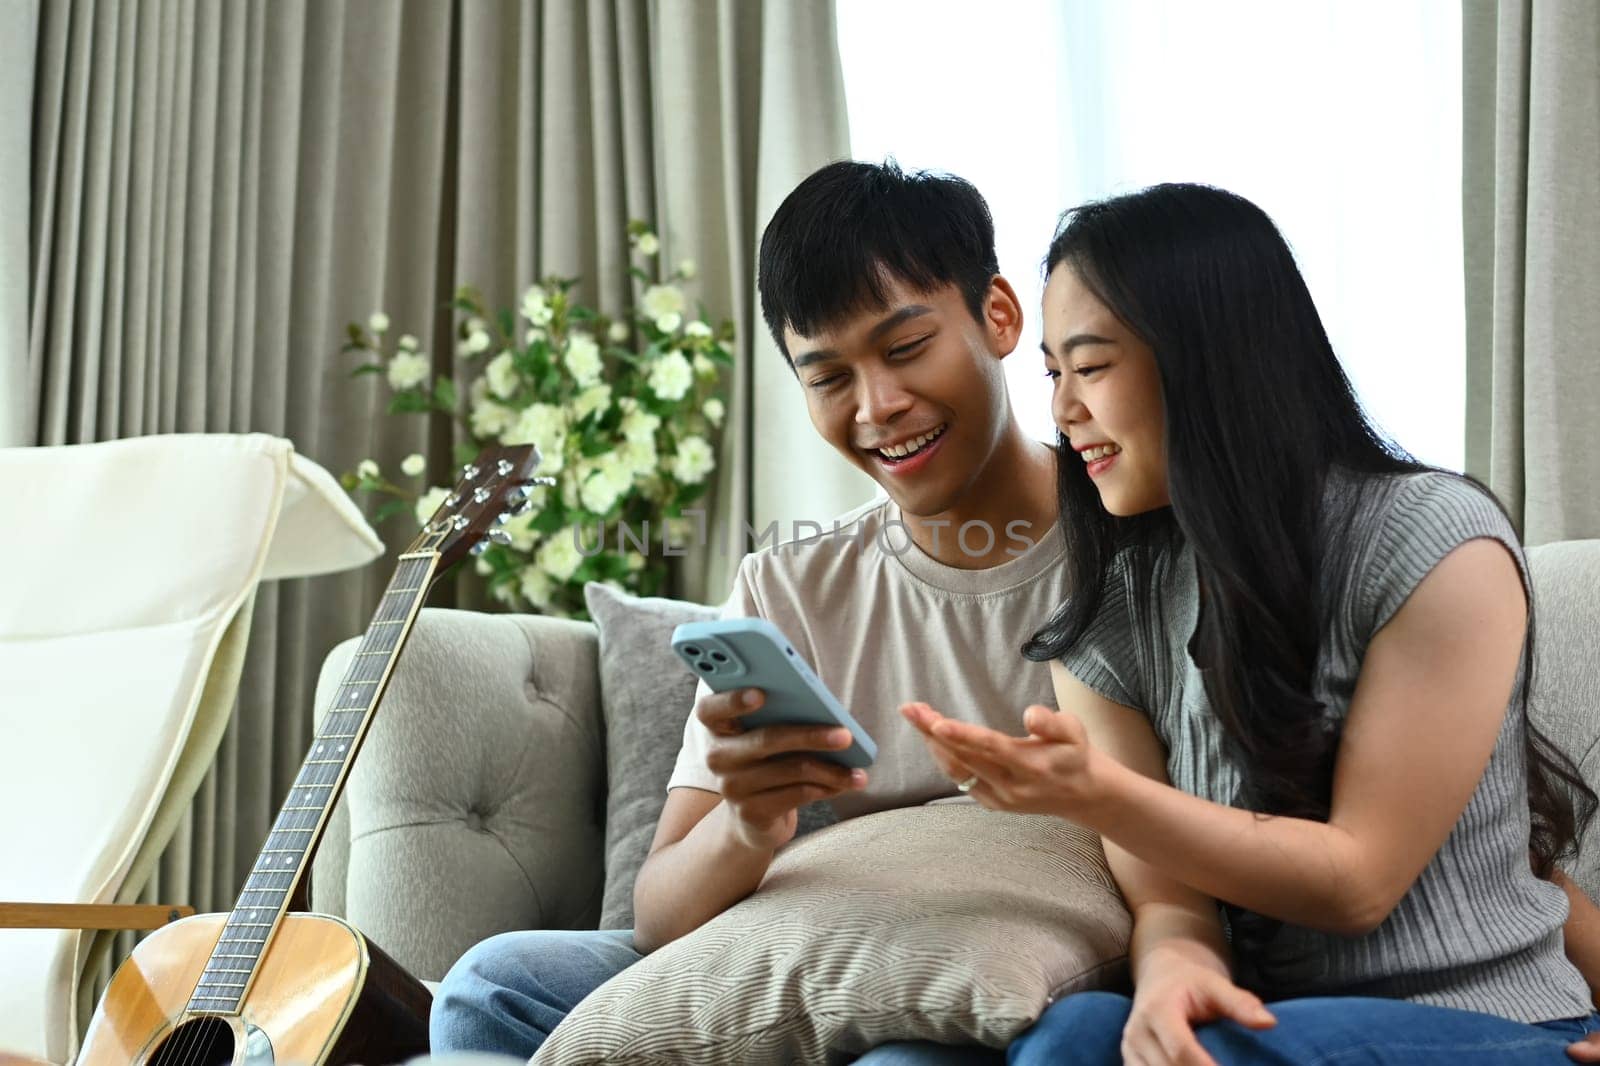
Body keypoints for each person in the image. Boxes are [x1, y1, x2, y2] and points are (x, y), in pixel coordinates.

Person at [901, 181, 1600, 1065]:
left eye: (1092, 365)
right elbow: (1170, 902)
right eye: (1053, 372)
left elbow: (1358, 884)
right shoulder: (1104, 625)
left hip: (1496, 1024)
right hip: (1274, 1023)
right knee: (1063, 1037)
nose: (1063, 411)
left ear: (1206, 357)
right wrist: (1172, 974)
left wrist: (1097, 795)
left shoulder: (1435, 544)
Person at [430, 160, 1062, 1064]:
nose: (878, 407)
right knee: (494, 989)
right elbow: (660, 914)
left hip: (1010, 957)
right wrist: (748, 826)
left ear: (998, 315)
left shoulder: (1132, 534)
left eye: (905, 347)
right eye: (829, 377)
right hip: (831, 946)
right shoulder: (790, 586)